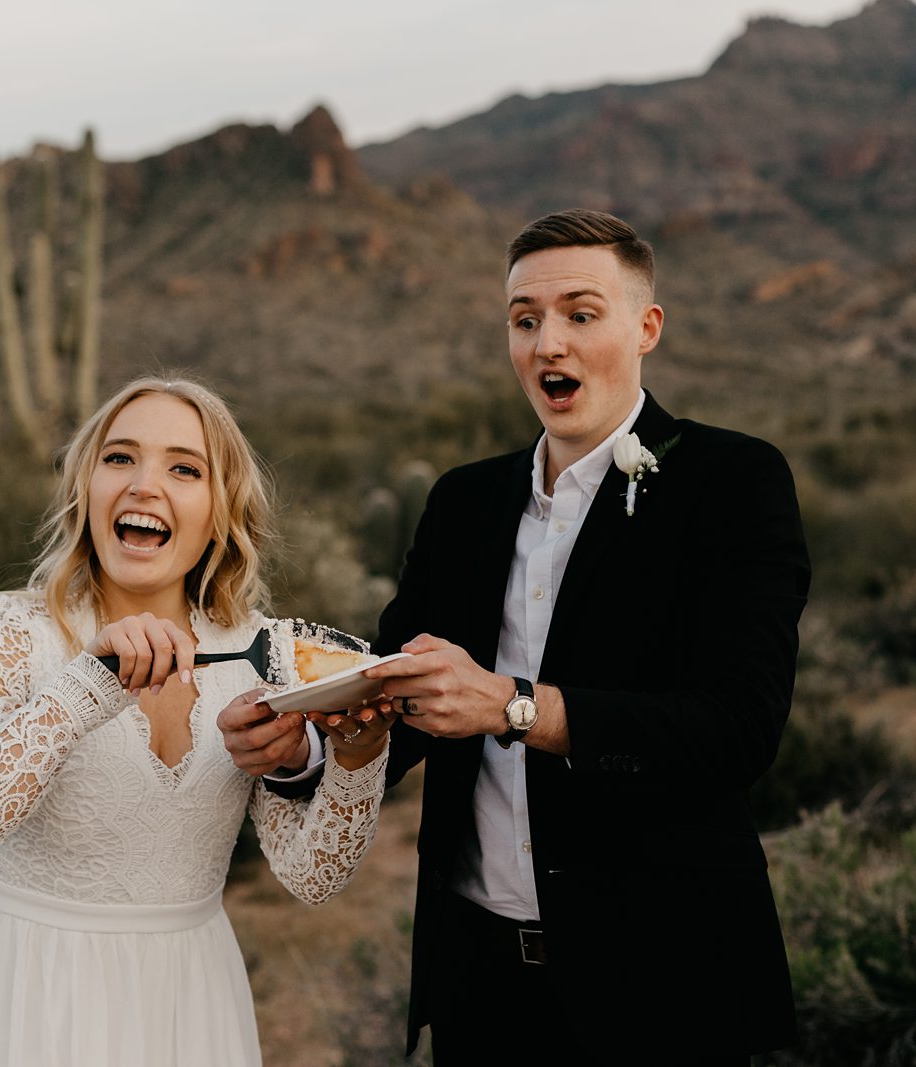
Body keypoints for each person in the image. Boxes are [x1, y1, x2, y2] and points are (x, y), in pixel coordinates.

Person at [222, 209, 811, 1063]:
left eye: (580, 313)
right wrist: (300, 747)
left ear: (646, 327)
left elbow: (738, 729)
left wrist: (517, 707)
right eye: (525, 320)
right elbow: (396, 696)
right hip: (481, 987)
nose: (548, 345)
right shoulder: (463, 502)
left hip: (664, 984)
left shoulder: (733, 482)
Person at [0, 375, 393, 1066]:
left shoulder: (263, 655)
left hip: (191, 1007)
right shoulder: (11, 629)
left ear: (219, 509)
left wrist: (358, 752)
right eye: (119, 457)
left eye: (184, 468)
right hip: (28, 1001)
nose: (143, 485)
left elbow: (312, 875)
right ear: (86, 487)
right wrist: (88, 684)